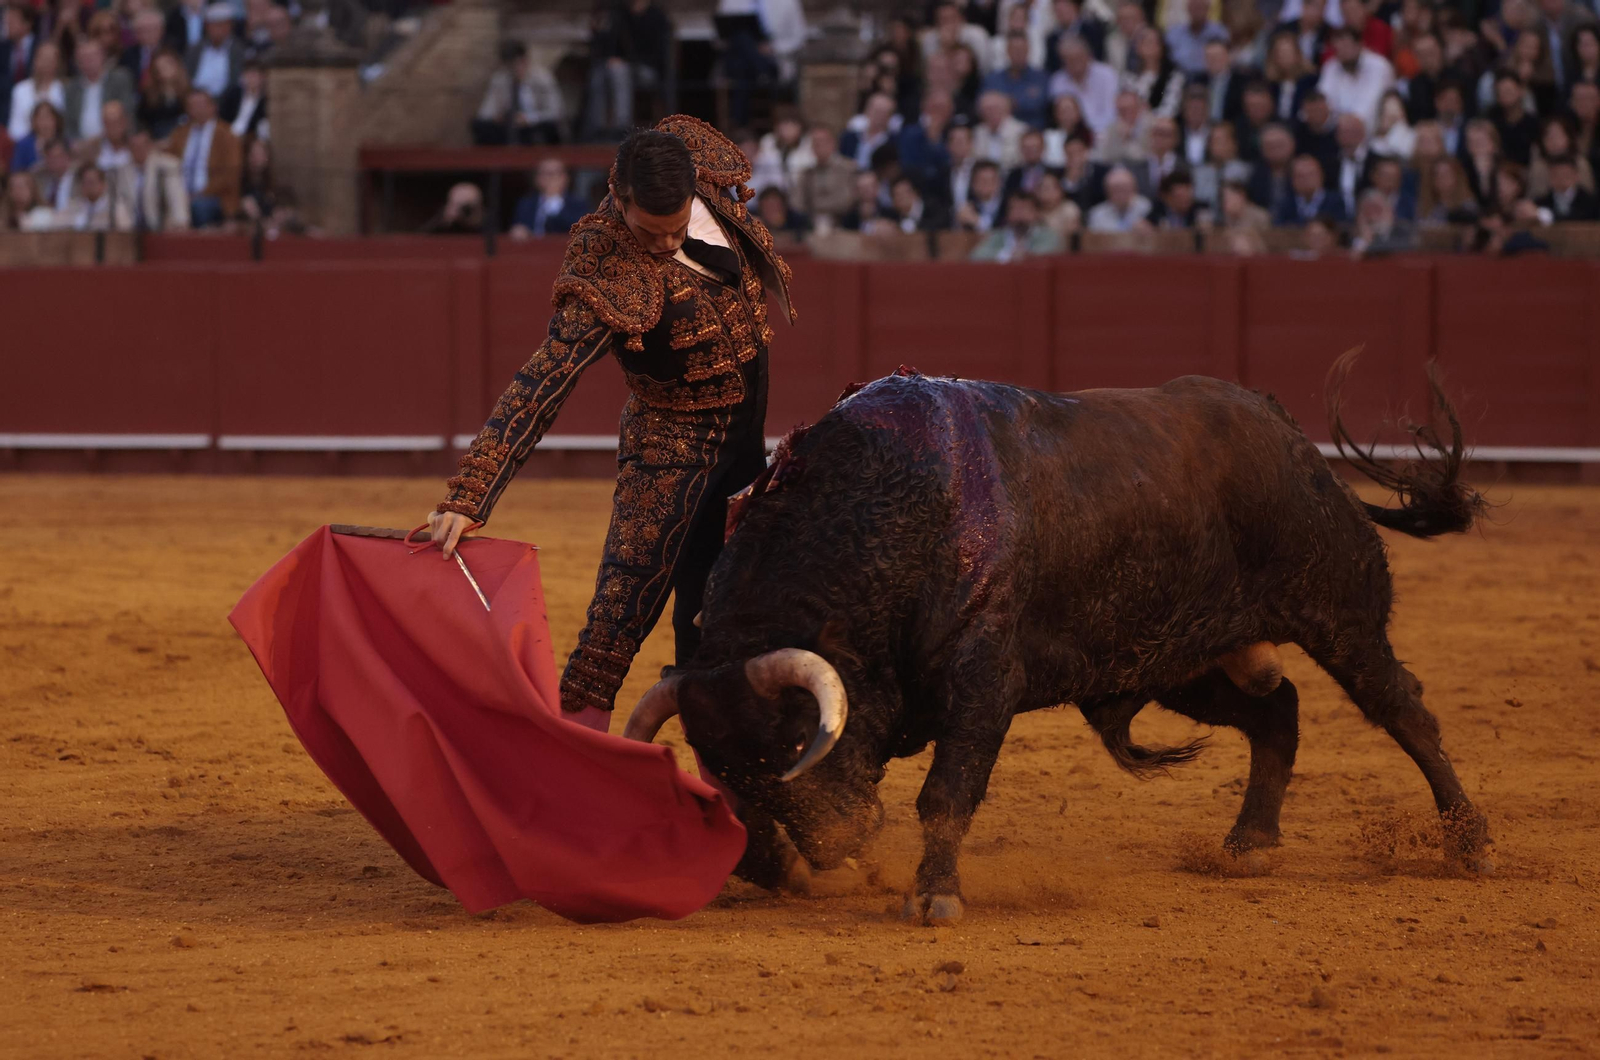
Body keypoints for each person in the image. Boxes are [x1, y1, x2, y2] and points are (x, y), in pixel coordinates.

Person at [426, 117, 796, 745]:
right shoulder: (606, 263)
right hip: (669, 454)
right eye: (651, 233)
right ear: (619, 199)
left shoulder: (696, 166)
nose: (667, 243)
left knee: (724, 612)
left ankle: (722, 772)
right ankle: (568, 763)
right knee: (616, 621)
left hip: (744, 450)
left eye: (678, 227)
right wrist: (469, 495)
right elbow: (542, 383)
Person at [168, 87, 240, 226]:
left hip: (214, 196)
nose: (197, 109)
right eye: (192, 105)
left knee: (198, 207)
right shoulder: (180, 134)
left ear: (213, 107)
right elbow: (170, 158)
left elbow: (230, 175)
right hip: (181, 193)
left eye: (201, 105)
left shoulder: (227, 135)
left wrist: (199, 195)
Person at [475, 40, 562, 146]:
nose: (513, 69)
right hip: (508, 127)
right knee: (481, 126)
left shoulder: (542, 78)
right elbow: (485, 113)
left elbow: (555, 112)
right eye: (509, 66)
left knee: (546, 128)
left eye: (516, 64)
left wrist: (529, 118)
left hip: (536, 126)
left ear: (525, 60)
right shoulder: (500, 79)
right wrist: (496, 118)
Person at [1317, 26, 1393, 130]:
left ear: (1359, 45)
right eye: (1338, 48)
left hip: (1375, 129)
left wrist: (1348, 122)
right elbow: (1324, 100)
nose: (1343, 52)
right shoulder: (1331, 67)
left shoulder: (1379, 66)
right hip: (1339, 129)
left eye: (1346, 46)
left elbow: (1371, 106)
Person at [63, 38, 132, 141]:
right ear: (77, 62)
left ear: (103, 56)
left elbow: (128, 112)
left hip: (115, 141)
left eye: (92, 56)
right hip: (82, 145)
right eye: (83, 58)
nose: (89, 61)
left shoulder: (119, 79)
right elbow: (68, 124)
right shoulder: (72, 88)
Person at [124, 126, 188, 230]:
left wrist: (180, 221)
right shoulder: (123, 170)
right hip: (131, 230)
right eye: (134, 147)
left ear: (150, 145)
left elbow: (176, 197)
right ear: (128, 149)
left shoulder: (167, 165)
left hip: (160, 228)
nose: (139, 150)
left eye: (142, 146)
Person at [791, 123, 855, 227]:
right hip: (811, 224)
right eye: (814, 142)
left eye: (822, 141)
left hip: (842, 224)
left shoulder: (848, 168)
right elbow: (797, 203)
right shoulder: (807, 173)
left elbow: (846, 202)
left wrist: (816, 205)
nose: (818, 145)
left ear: (833, 143)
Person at [1049, 36, 1117, 134]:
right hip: (1074, 135)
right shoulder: (1057, 81)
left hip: (1106, 132)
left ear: (1089, 55)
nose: (1076, 63)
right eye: (1070, 60)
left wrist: (1094, 132)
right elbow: (1061, 118)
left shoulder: (1107, 75)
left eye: (1079, 57)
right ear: (1063, 62)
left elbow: (1112, 112)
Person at [970, 189, 1065, 259]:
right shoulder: (998, 235)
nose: (1020, 213)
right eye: (1016, 208)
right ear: (1008, 214)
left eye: (1025, 209)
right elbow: (977, 256)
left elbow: (1047, 252)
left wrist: (1024, 256)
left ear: (1036, 213)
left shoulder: (1047, 235)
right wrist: (1007, 255)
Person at [984, 29, 1050, 128]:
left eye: (1022, 49)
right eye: (1014, 50)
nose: (1018, 53)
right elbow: (983, 105)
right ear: (1007, 51)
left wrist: (1006, 103)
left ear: (1028, 50)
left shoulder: (1041, 77)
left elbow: (1040, 104)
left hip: (1033, 131)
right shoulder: (993, 78)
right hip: (1001, 132)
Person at [509, 158, 586, 239]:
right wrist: (519, 231)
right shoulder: (526, 204)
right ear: (537, 179)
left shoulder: (578, 204)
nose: (551, 178)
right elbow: (518, 228)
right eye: (546, 173)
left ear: (566, 178)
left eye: (556, 173)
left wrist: (554, 200)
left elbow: (581, 231)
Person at [7, 38, 62, 141]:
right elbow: (15, 129)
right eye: (43, 58)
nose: (46, 63)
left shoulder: (64, 89)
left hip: (56, 144)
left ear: (57, 63)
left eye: (50, 59)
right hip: (27, 144)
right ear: (35, 60)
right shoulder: (20, 90)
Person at [1126, 26, 1185, 119]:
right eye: (1144, 41)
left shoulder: (1174, 77)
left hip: (1160, 124)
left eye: (1152, 42)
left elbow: (1170, 109)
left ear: (1162, 47)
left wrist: (1148, 116)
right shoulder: (1129, 77)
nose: (1149, 46)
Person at [185, 3, 241, 100]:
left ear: (230, 26)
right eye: (214, 25)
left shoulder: (238, 51)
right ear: (207, 27)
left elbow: (235, 82)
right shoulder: (195, 50)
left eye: (222, 25)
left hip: (225, 101)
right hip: (194, 98)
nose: (218, 29)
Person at [1274, 151, 1346, 224]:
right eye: (1300, 176)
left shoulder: (1335, 202)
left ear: (1321, 176)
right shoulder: (1285, 205)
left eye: (1310, 174)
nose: (1306, 180)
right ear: (1292, 180)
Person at [1165, 0, 1228, 77]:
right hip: (1179, 75)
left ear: (1208, 9)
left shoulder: (1219, 31)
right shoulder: (1174, 33)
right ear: (1188, 9)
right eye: (1194, 7)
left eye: (1200, 8)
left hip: (1210, 77)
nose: (1197, 11)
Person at [137, 50, 188, 140]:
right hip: (156, 141)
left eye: (167, 65)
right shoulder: (148, 97)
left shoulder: (188, 93)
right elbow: (142, 124)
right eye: (160, 67)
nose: (164, 69)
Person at [63, 159, 130, 229]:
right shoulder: (74, 206)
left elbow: (125, 232)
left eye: (91, 182)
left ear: (103, 184)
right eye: (84, 183)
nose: (88, 187)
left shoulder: (115, 208)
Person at [1085, 163, 1151, 229]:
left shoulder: (1147, 208)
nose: (1120, 195)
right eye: (1116, 190)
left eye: (1124, 189)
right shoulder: (1097, 215)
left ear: (1134, 189)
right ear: (1107, 192)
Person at [1535, 153, 1600, 220]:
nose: (1561, 179)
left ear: (1576, 176)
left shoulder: (1592, 203)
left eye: (1566, 175)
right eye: (1556, 175)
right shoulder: (1540, 204)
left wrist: (1547, 216)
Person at [1416, 155, 1477, 226]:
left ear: (1457, 176)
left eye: (1446, 174)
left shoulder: (1468, 206)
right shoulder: (1425, 207)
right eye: (1437, 174)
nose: (1441, 178)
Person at [220, 59, 267, 141]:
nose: (250, 79)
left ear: (262, 77)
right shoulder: (233, 94)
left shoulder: (265, 101)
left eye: (254, 75)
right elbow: (222, 117)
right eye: (247, 74)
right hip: (227, 135)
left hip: (249, 140)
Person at [9, 98, 60, 171]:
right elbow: (17, 171)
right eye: (41, 118)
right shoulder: (23, 145)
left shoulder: (65, 143)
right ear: (34, 121)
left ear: (56, 120)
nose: (45, 123)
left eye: (48, 117)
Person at [955, 157, 1005, 230]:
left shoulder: (1007, 205)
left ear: (999, 183)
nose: (987, 185)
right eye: (982, 181)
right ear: (973, 183)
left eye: (991, 180)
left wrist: (977, 221)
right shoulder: (968, 205)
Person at [1034, 171, 1081, 237]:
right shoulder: (1033, 210)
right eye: (1041, 188)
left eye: (1048, 188)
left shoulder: (1069, 210)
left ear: (1060, 190)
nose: (1044, 192)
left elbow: (1073, 236)